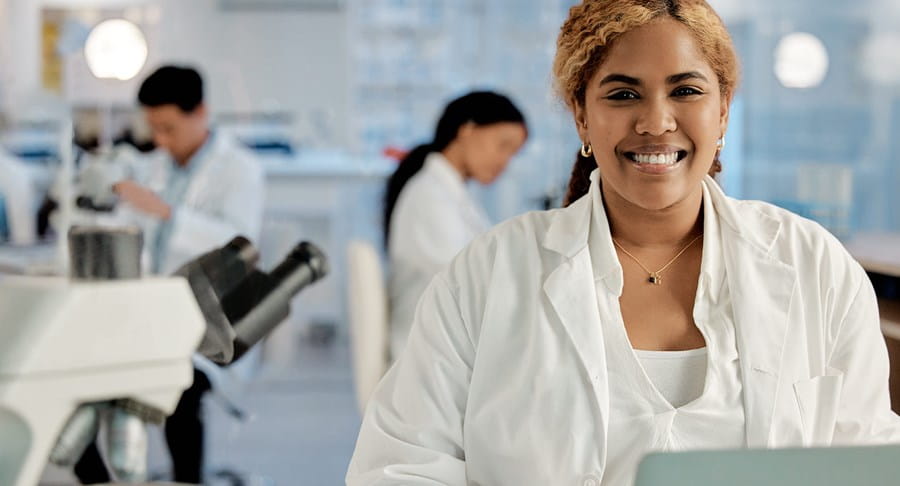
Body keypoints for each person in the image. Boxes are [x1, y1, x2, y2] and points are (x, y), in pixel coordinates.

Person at [346, 1, 900, 484]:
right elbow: (400, 467)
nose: (656, 122)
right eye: (622, 93)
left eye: (686, 90)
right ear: (582, 117)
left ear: (724, 109)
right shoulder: (489, 273)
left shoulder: (813, 266)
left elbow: (869, 461)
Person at [74, 65, 265, 484]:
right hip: (149, 315)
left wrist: (165, 211)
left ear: (201, 112)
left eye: (168, 128)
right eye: (153, 129)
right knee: (73, 380)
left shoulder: (240, 170)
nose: (160, 140)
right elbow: (127, 235)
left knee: (181, 385)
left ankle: (187, 479)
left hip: (210, 320)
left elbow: (239, 249)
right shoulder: (154, 167)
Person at [383, 91, 527, 359]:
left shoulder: (450, 194)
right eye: (503, 146)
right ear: (467, 130)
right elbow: (466, 285)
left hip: (448, 349)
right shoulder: (430, 196)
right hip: (432, 359)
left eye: (513, 154)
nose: (505, 162)